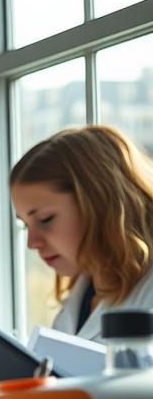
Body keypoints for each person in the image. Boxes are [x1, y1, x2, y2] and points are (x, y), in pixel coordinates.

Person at [11, 124, 153, 341]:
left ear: (100, 204)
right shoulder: (80, 298)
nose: (32, 243)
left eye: (45, 219)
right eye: (26, 225)